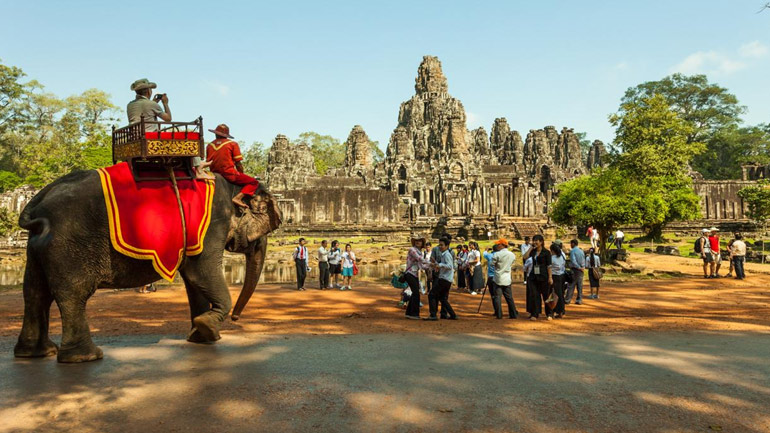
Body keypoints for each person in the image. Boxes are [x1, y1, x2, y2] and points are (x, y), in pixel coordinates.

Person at [127, 78, 213, 180]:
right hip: (150, 139)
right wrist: (165, 103)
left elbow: (145, 111)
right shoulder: (151, 104)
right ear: (148, 91)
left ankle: (197, 163)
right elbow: (168, 119)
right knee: (190, 134)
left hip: (135, 137)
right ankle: (198, 169)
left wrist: (154, 102)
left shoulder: (130, 105)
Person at [206, 124, 261, 208]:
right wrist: (241, 174)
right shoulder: (232, 144)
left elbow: (208, 161)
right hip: (228, 173)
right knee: (254, 182)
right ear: (226, 135)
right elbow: (238, 163)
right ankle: (238, 198)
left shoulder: (209, 145)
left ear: (216, 134)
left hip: (213, 173)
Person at [426, 237, 458, 320]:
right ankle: (453, 314)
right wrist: (436, 263)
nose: (440, 247)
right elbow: (444, 265)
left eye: (442, 245)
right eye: (439, 245)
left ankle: (433, 315)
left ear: (447, 246)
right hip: (446, 279)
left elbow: (450, 266)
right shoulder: (444, 254)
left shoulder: (447, 255)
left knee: (432, 294)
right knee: (442, 298)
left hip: (444, 279)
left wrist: (439, 265)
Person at [523, 234, 553, 321]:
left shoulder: (546, 253)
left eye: (537, 240)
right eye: (534, 240)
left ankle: (549, 313)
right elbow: (525, 257)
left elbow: (549, 266)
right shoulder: (533, 251)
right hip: (533, 276)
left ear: (541, 242)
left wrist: (550, 277)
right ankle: (535, 313)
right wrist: (531, 248)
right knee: (535, 295)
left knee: (546, 295)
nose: (535, 242)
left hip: (544, 276)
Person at [404, 234, 432, 319]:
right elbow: (420, 259)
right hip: (410, 273)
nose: (417, 242)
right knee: (416, 293)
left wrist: (432, 267)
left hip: (415, 274)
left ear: (422, 242)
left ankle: (409, 312)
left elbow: (421, 266)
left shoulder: (421, 252)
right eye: (416, 241)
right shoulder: (412, 250)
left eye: (419, 241)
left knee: (415, 293)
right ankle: (414, 313)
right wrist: (431, 263)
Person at [490, 239, 519, 319]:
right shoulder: (512, 254)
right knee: (509, 297)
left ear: (502, 245)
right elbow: (512, 264)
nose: (497, 246)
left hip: (498, 277)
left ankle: (499, 314)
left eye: (499, 244)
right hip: (507, 278)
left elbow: (492, 264)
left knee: (497, 297)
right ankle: (513, 314)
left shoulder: (497, 254)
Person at [549, 243, 567, 318]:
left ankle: (553, 311)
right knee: (560, 294)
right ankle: (561, 311)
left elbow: (549, 267)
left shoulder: (552, 258)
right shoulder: (562, 256)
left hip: (554, 277)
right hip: (561, 276)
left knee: (553, 295)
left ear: (552, 251)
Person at [565, 239, 586, 305]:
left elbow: (573, 261)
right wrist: (582, 267)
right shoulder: (581, 251)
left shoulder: (572, 251)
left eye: (571, 244)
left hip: (575, 269)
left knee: (571, 285)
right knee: (579, 285)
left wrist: (578, 267)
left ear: (573, 243)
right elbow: (583, 260)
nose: (570, 245)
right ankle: (579, 300)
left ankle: (568, 300)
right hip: (581, 270)